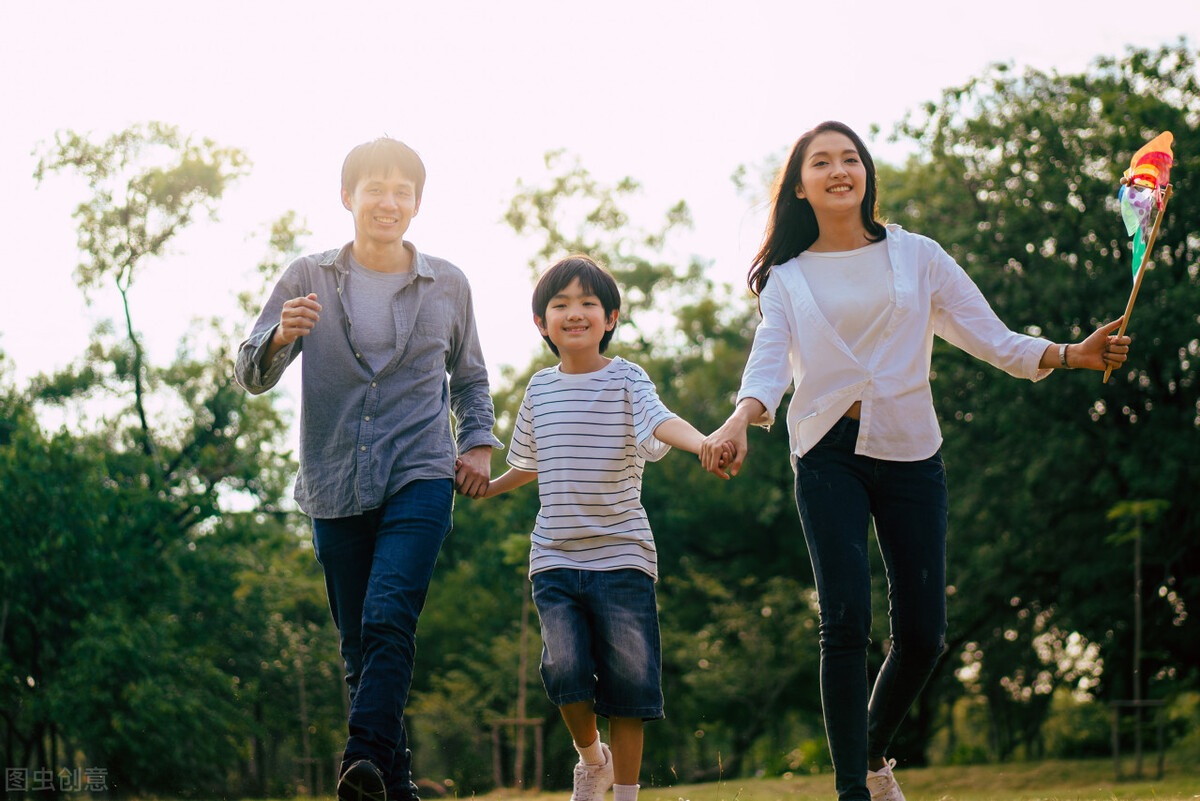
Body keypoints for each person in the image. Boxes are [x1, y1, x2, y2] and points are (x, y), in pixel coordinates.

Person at [699, 121, 1130, 801]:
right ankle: (852, 792)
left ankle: (872, 755)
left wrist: (1072, 352)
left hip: (910, 451)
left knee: (924, 634)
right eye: (822, 162)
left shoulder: (917, 256)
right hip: (826, 452)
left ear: (866, 172)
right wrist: (737, 420)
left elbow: (991, 336)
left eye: (850, 158)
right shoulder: (785, 277)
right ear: (801, 186)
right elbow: (768, 363)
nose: (839, 169)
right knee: (844, 620)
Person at [235, 137, 501, 801]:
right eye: (374, 187)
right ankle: (393, 783)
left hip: (421, 471)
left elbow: (470, 378)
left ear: (415, 203)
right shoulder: (307, 277)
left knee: (388, 616)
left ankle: (359, 758)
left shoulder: (448, 283)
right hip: (334, 481)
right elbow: (248, 371)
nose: (388, 200)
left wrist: (477, 444)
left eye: (401, 190)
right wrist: (278, 338)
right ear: (348, 195)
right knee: (359, 644)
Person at [478, 256, 728, 801]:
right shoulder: (539, 391)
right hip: (555, 557)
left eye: (588, 303)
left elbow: (660, 421)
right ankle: (593, 761)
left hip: (623, 556)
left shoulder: (627, 378)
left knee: (630, 685)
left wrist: (704, 442)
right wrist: (487, 488)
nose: (575, 312)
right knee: (564, 671)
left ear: (610, 317)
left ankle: (626, 795)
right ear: (542, 323)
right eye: (561, 304)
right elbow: (529, 463)